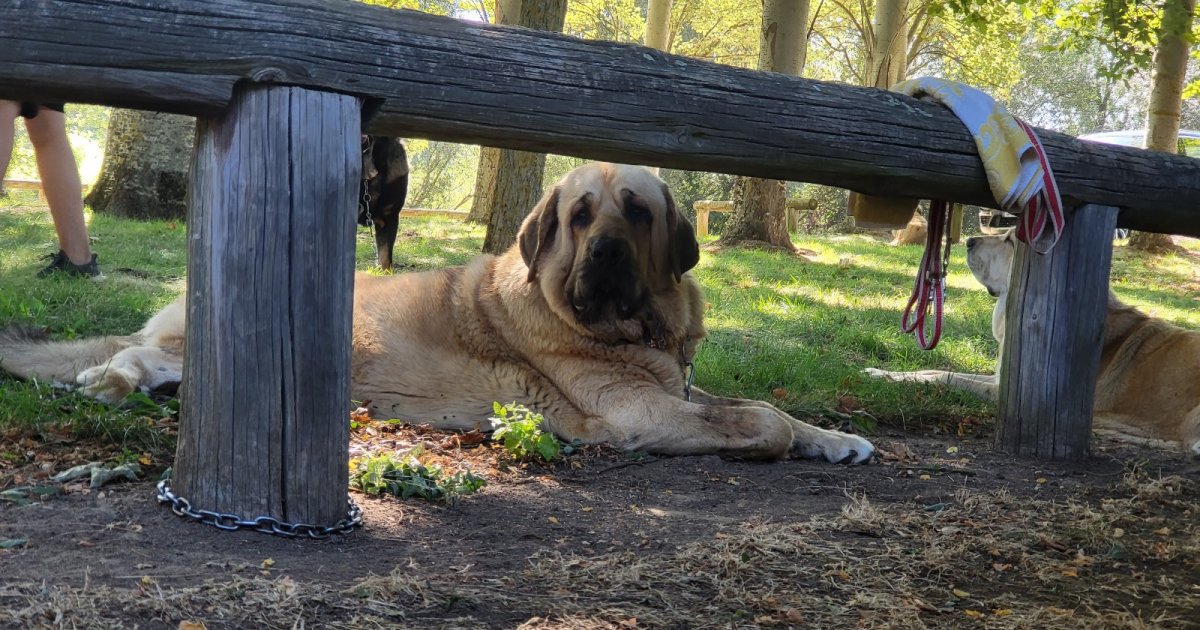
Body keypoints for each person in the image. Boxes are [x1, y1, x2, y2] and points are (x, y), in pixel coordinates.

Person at [0, 100, 101, 278]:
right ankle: (78, 260)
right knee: (48, 127)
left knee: (3, 106)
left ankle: (78, 260)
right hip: (60, 71)